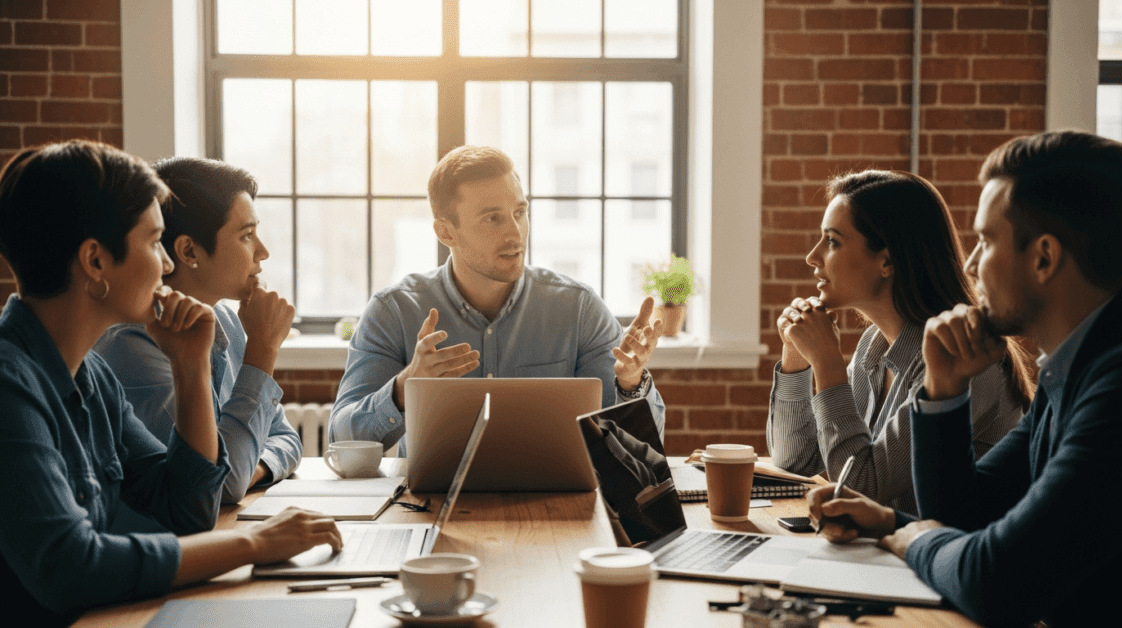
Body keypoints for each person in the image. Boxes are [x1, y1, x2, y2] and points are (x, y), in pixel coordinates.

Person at [808, 131, 1122, 627]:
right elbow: (969, 514)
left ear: (1044, 258)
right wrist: (942, 395)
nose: (970, 264)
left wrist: (916, 538)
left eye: (986, 241)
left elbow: (1001, 581)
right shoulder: (1079, 364)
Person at [0, 141, 340, 626]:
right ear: (96, 262)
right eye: (153, 241)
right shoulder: (10, 385)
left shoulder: (91, 377)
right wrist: (253, 544)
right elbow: (69, 567)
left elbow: (189, 509)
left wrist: (191, 365)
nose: (165, 264)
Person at [330, 146, 666, 455]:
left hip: (558, 509)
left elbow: (640, 448)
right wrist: (403, 390)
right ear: (446, 232)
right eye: (493, 218)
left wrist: (631, 384)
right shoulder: (393, 312)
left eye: (520, 212)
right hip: (431, 507)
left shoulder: (579, 310)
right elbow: (341, 439)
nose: (516, 234)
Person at [767, 170, 1031, 514]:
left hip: (939, 560)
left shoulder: (965, 358)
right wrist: (796, 356)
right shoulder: (873, 346)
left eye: (832, 241)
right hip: (888, 554)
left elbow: (861, 488)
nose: (812, 257)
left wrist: (827, 364)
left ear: (887, 261)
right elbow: (794, 460)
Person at [95, 157, 301, 506]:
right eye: (247, 235)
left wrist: (248, 467)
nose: (262, 252)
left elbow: (285, 438)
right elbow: (219, 487)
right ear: (189, 251)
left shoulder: (228, 320)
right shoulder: (135, 345)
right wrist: (263, 351)